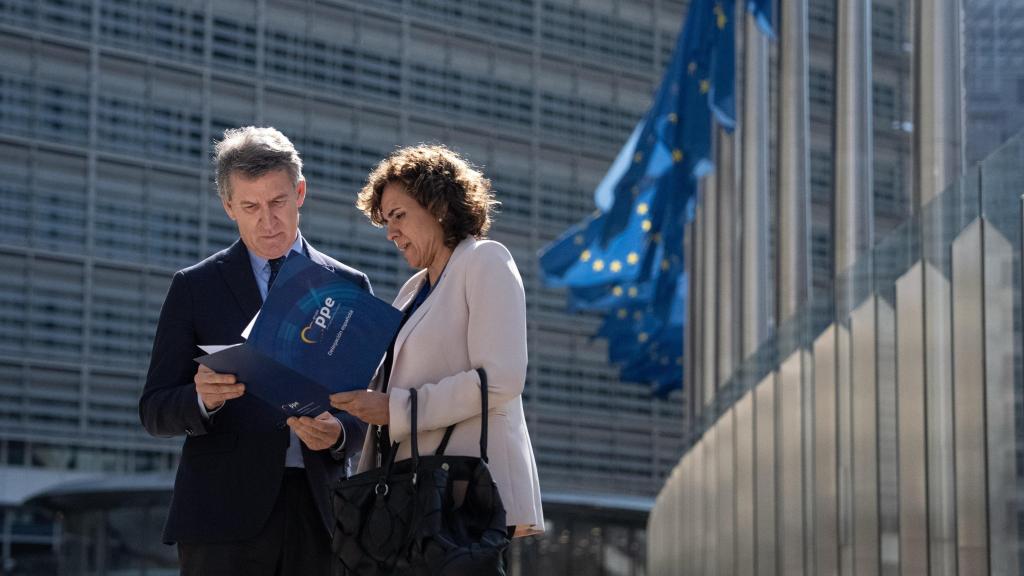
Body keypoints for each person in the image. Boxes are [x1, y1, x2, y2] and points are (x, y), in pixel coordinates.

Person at [139, 126, 369, 576]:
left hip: (320, 514)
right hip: (221, 520)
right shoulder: (194, 288)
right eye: (251, 206)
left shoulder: (348, 287)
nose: (268, 221)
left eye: (278, 202)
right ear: (229, 207)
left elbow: (363, 405)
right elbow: (154, 409)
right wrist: (202, 398)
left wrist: (340, 433)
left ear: (300, 192)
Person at [331, 144, 544, 543]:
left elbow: (500, 379)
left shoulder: (486, 260)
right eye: (386, 221)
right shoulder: (413, 289)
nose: (391, 232)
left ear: (439, 206)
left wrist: (395, 409)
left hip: (465, 492)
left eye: (398, 216)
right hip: (413, 495)